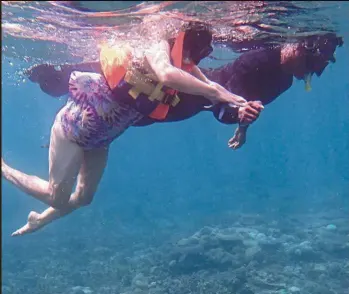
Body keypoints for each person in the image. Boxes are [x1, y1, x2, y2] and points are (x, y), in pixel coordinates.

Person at [2, 21, 257, 237]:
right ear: (186, 39)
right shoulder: (156, 42)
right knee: (56, 196)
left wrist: (237, 105)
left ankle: (40, 220)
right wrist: (216, 91)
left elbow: (205, 82)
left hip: (102, 137)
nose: (195, 59)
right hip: (73, 127)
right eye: (198, 51)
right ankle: (3, 168)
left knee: (83, 198)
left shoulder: (185, 61)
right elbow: (167, 75)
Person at [27, 32, 342, 150]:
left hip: (184, 102)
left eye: (320, 67)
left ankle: (66, 120)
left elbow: (244, 104)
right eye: (314, 62)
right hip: (186, 94)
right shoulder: (261, 59)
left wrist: (243, 124)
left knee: (121, 105)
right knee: (108, 80)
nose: (313, 72)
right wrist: (236, 115)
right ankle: (55, 83)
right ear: (297, 49)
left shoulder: (283, 80)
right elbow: (225, 102)